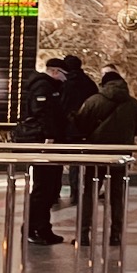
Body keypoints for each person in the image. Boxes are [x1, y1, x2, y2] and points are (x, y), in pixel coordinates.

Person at [74, 68, 137, 246]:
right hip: (121, 156)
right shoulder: (134, 104)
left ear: (104, 83)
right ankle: (116, 235)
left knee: (89, 194)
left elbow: (81, 125)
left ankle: (84, 234)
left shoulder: (94, 101)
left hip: (96, 155)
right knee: (117, 195)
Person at [13, 57, 68, 245]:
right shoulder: (43, 87)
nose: (64, 79)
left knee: (48, 189)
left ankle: (43, 228)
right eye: (63, 74)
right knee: (41, 189)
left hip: (49, 144)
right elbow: (42, 113)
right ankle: (31, 228)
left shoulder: (50, 87)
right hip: (43, 144)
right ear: (54, 71)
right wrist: (50, 136)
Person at [58, 53, 99, 203]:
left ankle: (55, 192)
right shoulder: (89, 83)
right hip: (83, 129)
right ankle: (76, 193)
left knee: (56, 162)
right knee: (76, 163)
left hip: (64, 128)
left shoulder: (64, 83)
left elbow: (59, 105)